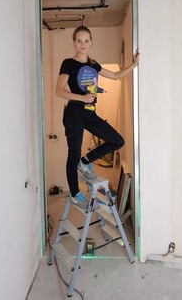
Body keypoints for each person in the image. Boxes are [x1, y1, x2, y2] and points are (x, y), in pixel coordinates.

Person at [55, 25, 140, 209]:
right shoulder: (68, 63)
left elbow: (116, 75)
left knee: (117, 140)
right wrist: (82, 97)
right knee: (73, 153)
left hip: (89, 112)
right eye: (79, 41)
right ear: (74, 42)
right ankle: (75, 193)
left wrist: (135, 64)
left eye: (86, 41)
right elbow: (59, 91)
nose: (83, 44)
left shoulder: (93, 64)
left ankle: (85, 161)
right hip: (74, 112)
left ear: (91, 42)